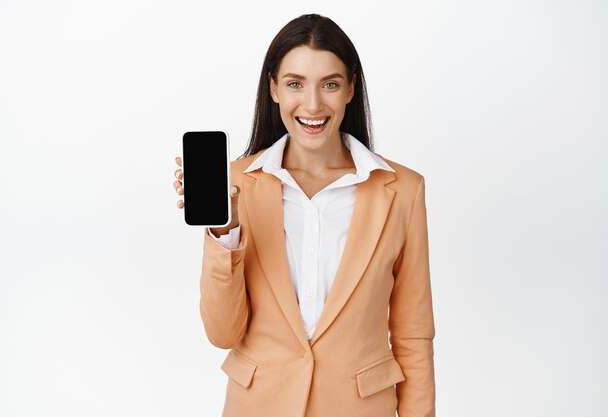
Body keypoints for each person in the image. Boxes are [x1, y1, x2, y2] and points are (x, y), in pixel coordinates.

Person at [173, 13, 435, 417]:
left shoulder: (402, 190)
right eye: (295, 83)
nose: (312, 104)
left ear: (350, 89)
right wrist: (225, 231)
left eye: (329, 84)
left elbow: (413, 336)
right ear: (274, 88)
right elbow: (223, 333)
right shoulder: (237, 186)